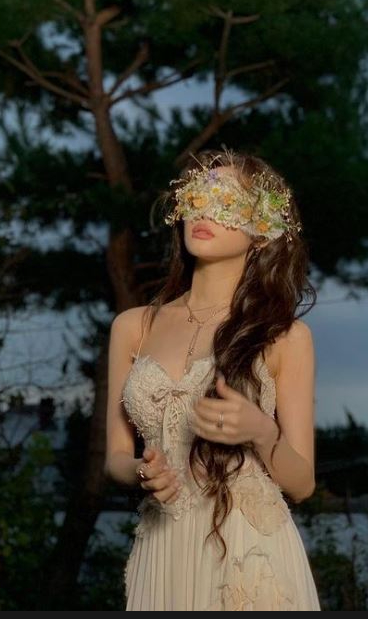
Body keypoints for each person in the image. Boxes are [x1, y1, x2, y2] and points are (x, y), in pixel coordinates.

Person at [105, 146, 321, 610]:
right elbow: (116, 458)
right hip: (161, 549)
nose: (206, 211)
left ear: (262, 233)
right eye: (198, 196)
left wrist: (262, 432)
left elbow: (303, 483)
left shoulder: (285, 336)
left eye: (229, 203)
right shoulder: (131, 327)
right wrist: (143, 471)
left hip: (248, 553)